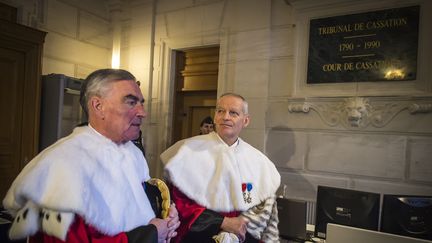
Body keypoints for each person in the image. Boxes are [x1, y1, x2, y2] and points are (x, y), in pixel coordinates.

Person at [2, 69, 180, 243]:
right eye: (131, 102)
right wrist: (151, 234)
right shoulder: (63, 163)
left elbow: (136, 208)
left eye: (141, 103)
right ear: (98, 106)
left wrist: (165, 220)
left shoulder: (132, 154)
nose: (143, 112)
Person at [161, 93, 281, 242]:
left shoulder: (256, 160)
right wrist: (223, 222)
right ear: (215, 116)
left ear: (246, 120)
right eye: (220, 111)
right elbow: (181, 203)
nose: (226, 117)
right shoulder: (188, 151)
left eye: (233, 113)